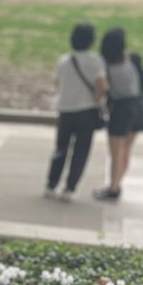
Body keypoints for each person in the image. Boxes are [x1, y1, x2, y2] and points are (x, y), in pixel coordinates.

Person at [44, 22, 108, 200]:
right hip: (86, 111)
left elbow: (57, 83)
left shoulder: (64, 60)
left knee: (60, 149)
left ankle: (51, 184)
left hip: (65, 109)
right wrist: (97, 98)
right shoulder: (96, 60)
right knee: (81, 151)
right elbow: (101, 84)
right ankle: (70, 188)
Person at [94, 27, 143, 201]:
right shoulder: (135, 59)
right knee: (126, 150)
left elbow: (104, 89)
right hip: (139, 107)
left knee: (116, 153)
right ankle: (117, 183)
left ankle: (113, 187)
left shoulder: (105, 65)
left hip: (121, 109)